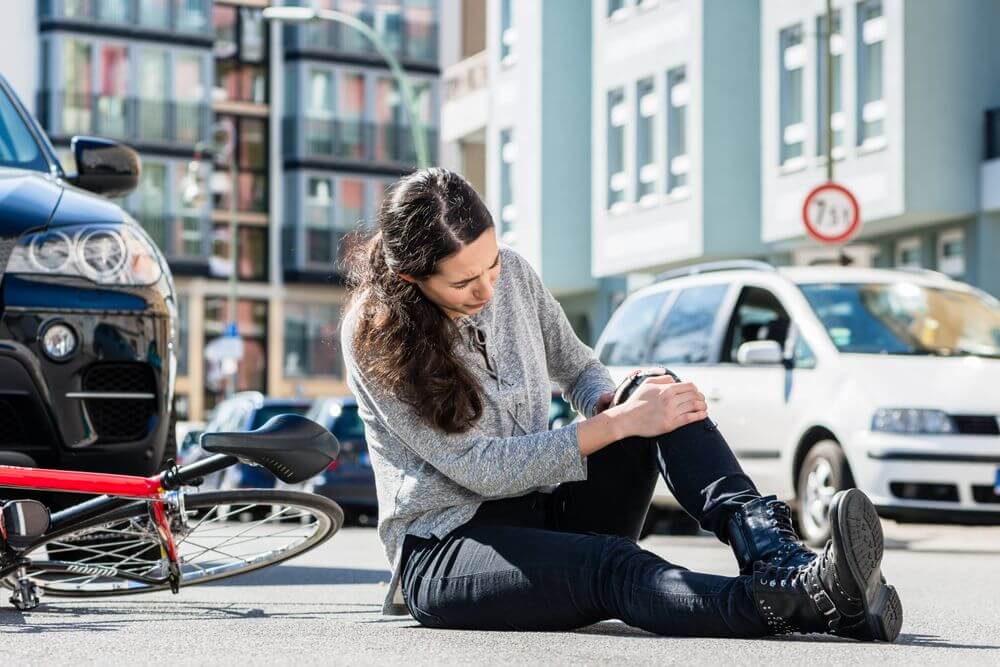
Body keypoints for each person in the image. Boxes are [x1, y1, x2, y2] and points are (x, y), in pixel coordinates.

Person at [341, 168, 902, 641]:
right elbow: (480, 468)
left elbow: (579, 369)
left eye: (491, 266)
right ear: (411, 277)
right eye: (465, 282)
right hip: (449, 548)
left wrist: (617, 402)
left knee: (656, 390)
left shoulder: (514, 276)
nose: (488, 289)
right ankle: (804, 600)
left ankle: (777, 556)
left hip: (546, 508)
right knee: (612, 565)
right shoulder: (375, 334)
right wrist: (616, 424)